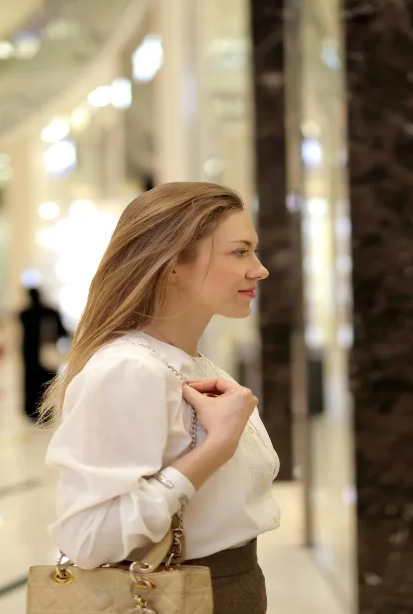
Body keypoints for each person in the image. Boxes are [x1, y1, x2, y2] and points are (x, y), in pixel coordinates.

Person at [43, 182, 279, 613]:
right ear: (173, 267)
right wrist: (215, 449)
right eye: (240, 252)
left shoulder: (196, 366)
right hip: (180, 597)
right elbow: (88, 538)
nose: (259, 270)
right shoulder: (129, 369)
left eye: (254, 251)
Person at [18, 286, 67, 421]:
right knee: (46, 382)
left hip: (29, 355)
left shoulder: (25, 314)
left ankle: (31, 411)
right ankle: (46, 411)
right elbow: (61, 332)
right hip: (46, 353)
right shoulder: (51, 312)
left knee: (30, 382)